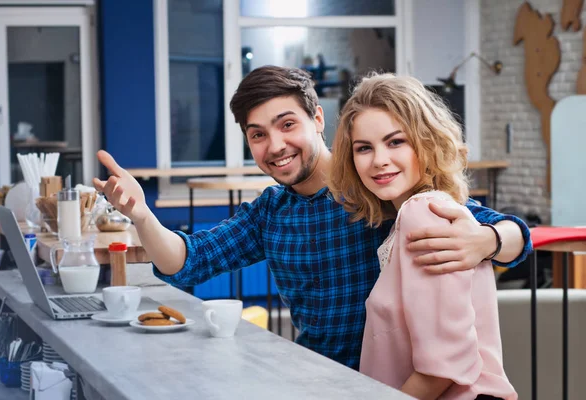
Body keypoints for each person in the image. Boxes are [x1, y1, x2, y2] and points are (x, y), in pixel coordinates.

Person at [93, 65, 531, 371]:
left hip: (390, 380)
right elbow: (186, 260)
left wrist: (488, 240)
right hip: (312, 376)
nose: (275, 145)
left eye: (287, 124)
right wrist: (142, 214)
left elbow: (514, 232)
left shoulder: (377, 188)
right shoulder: (270, 212)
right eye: (258, 135)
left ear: (318, 119)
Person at [329, 72, 517, 399]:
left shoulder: (424, 212)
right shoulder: (423, 211)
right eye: (363, 148)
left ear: (425, 141)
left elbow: (444, 367)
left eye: (395, 141)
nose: (379, 161)